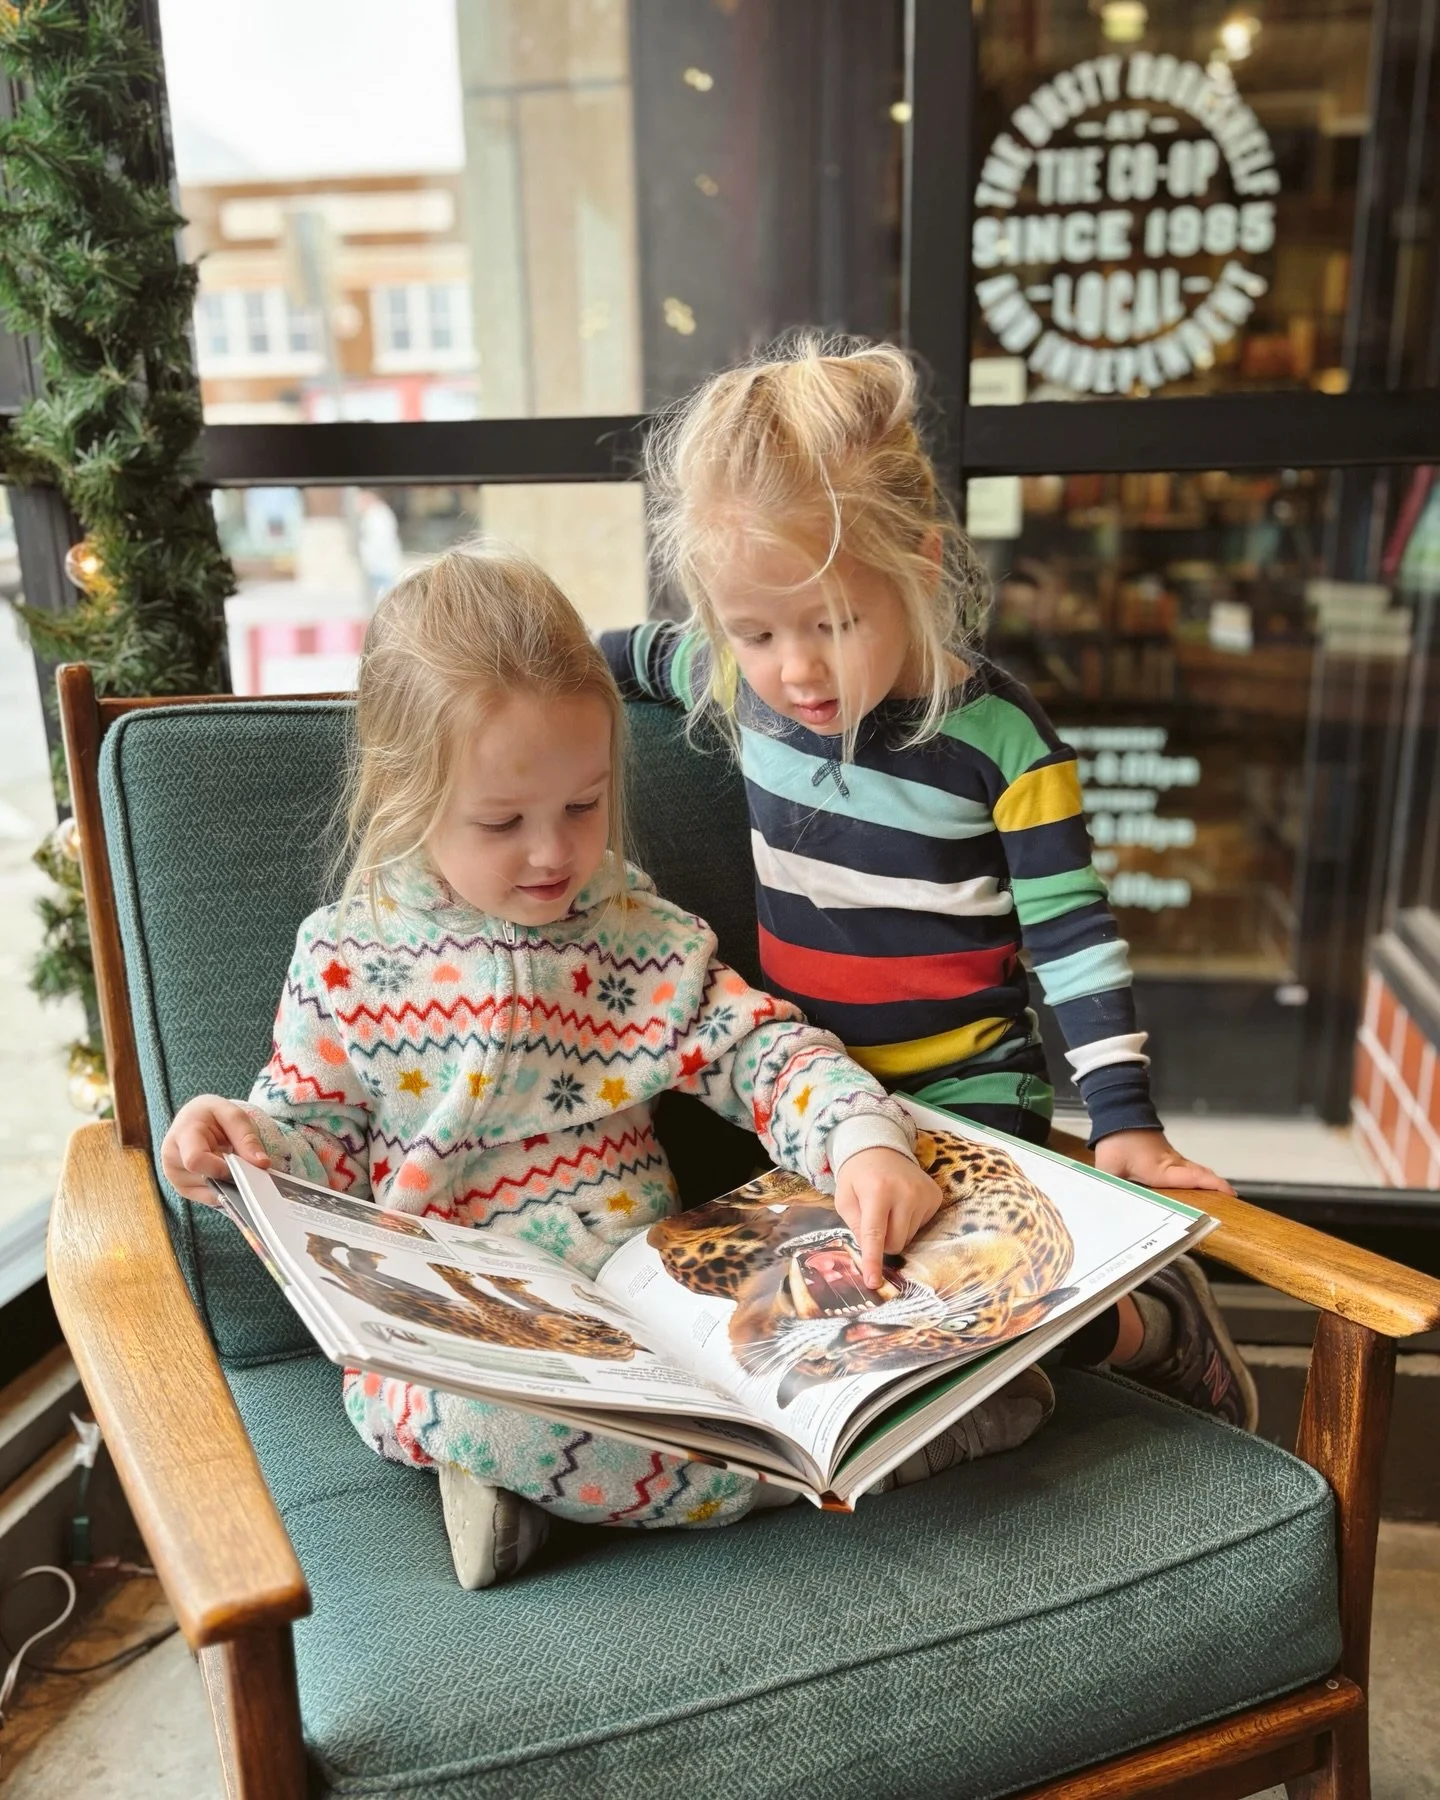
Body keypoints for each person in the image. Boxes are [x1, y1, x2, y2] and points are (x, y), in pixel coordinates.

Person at [159, 542, 1055, 1590]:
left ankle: (669, 1473)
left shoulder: (634, 935)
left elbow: (765, 1049)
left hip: (655, 1309)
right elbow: (310, 1137)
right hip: (458, 1329)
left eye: (584, 808)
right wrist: (241, 1145)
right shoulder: (345, 959)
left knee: (814, 1348)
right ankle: (824, 1469)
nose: (553, 855)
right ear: (409, 797)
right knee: (456, 1409)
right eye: (502, 823)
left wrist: (860, 1141)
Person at [600, 335, 1258, 1431]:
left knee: (957, 1297)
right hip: (807, 1094)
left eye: (834, 624)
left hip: (969, 1097)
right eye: (755, 630)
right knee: (821, 1316)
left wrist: (1123, 1124)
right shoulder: (735, 678)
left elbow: (1074, 940)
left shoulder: (997, 740)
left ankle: (1162, 1328)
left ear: (920, 559)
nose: (794, 669)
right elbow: (609, 659)